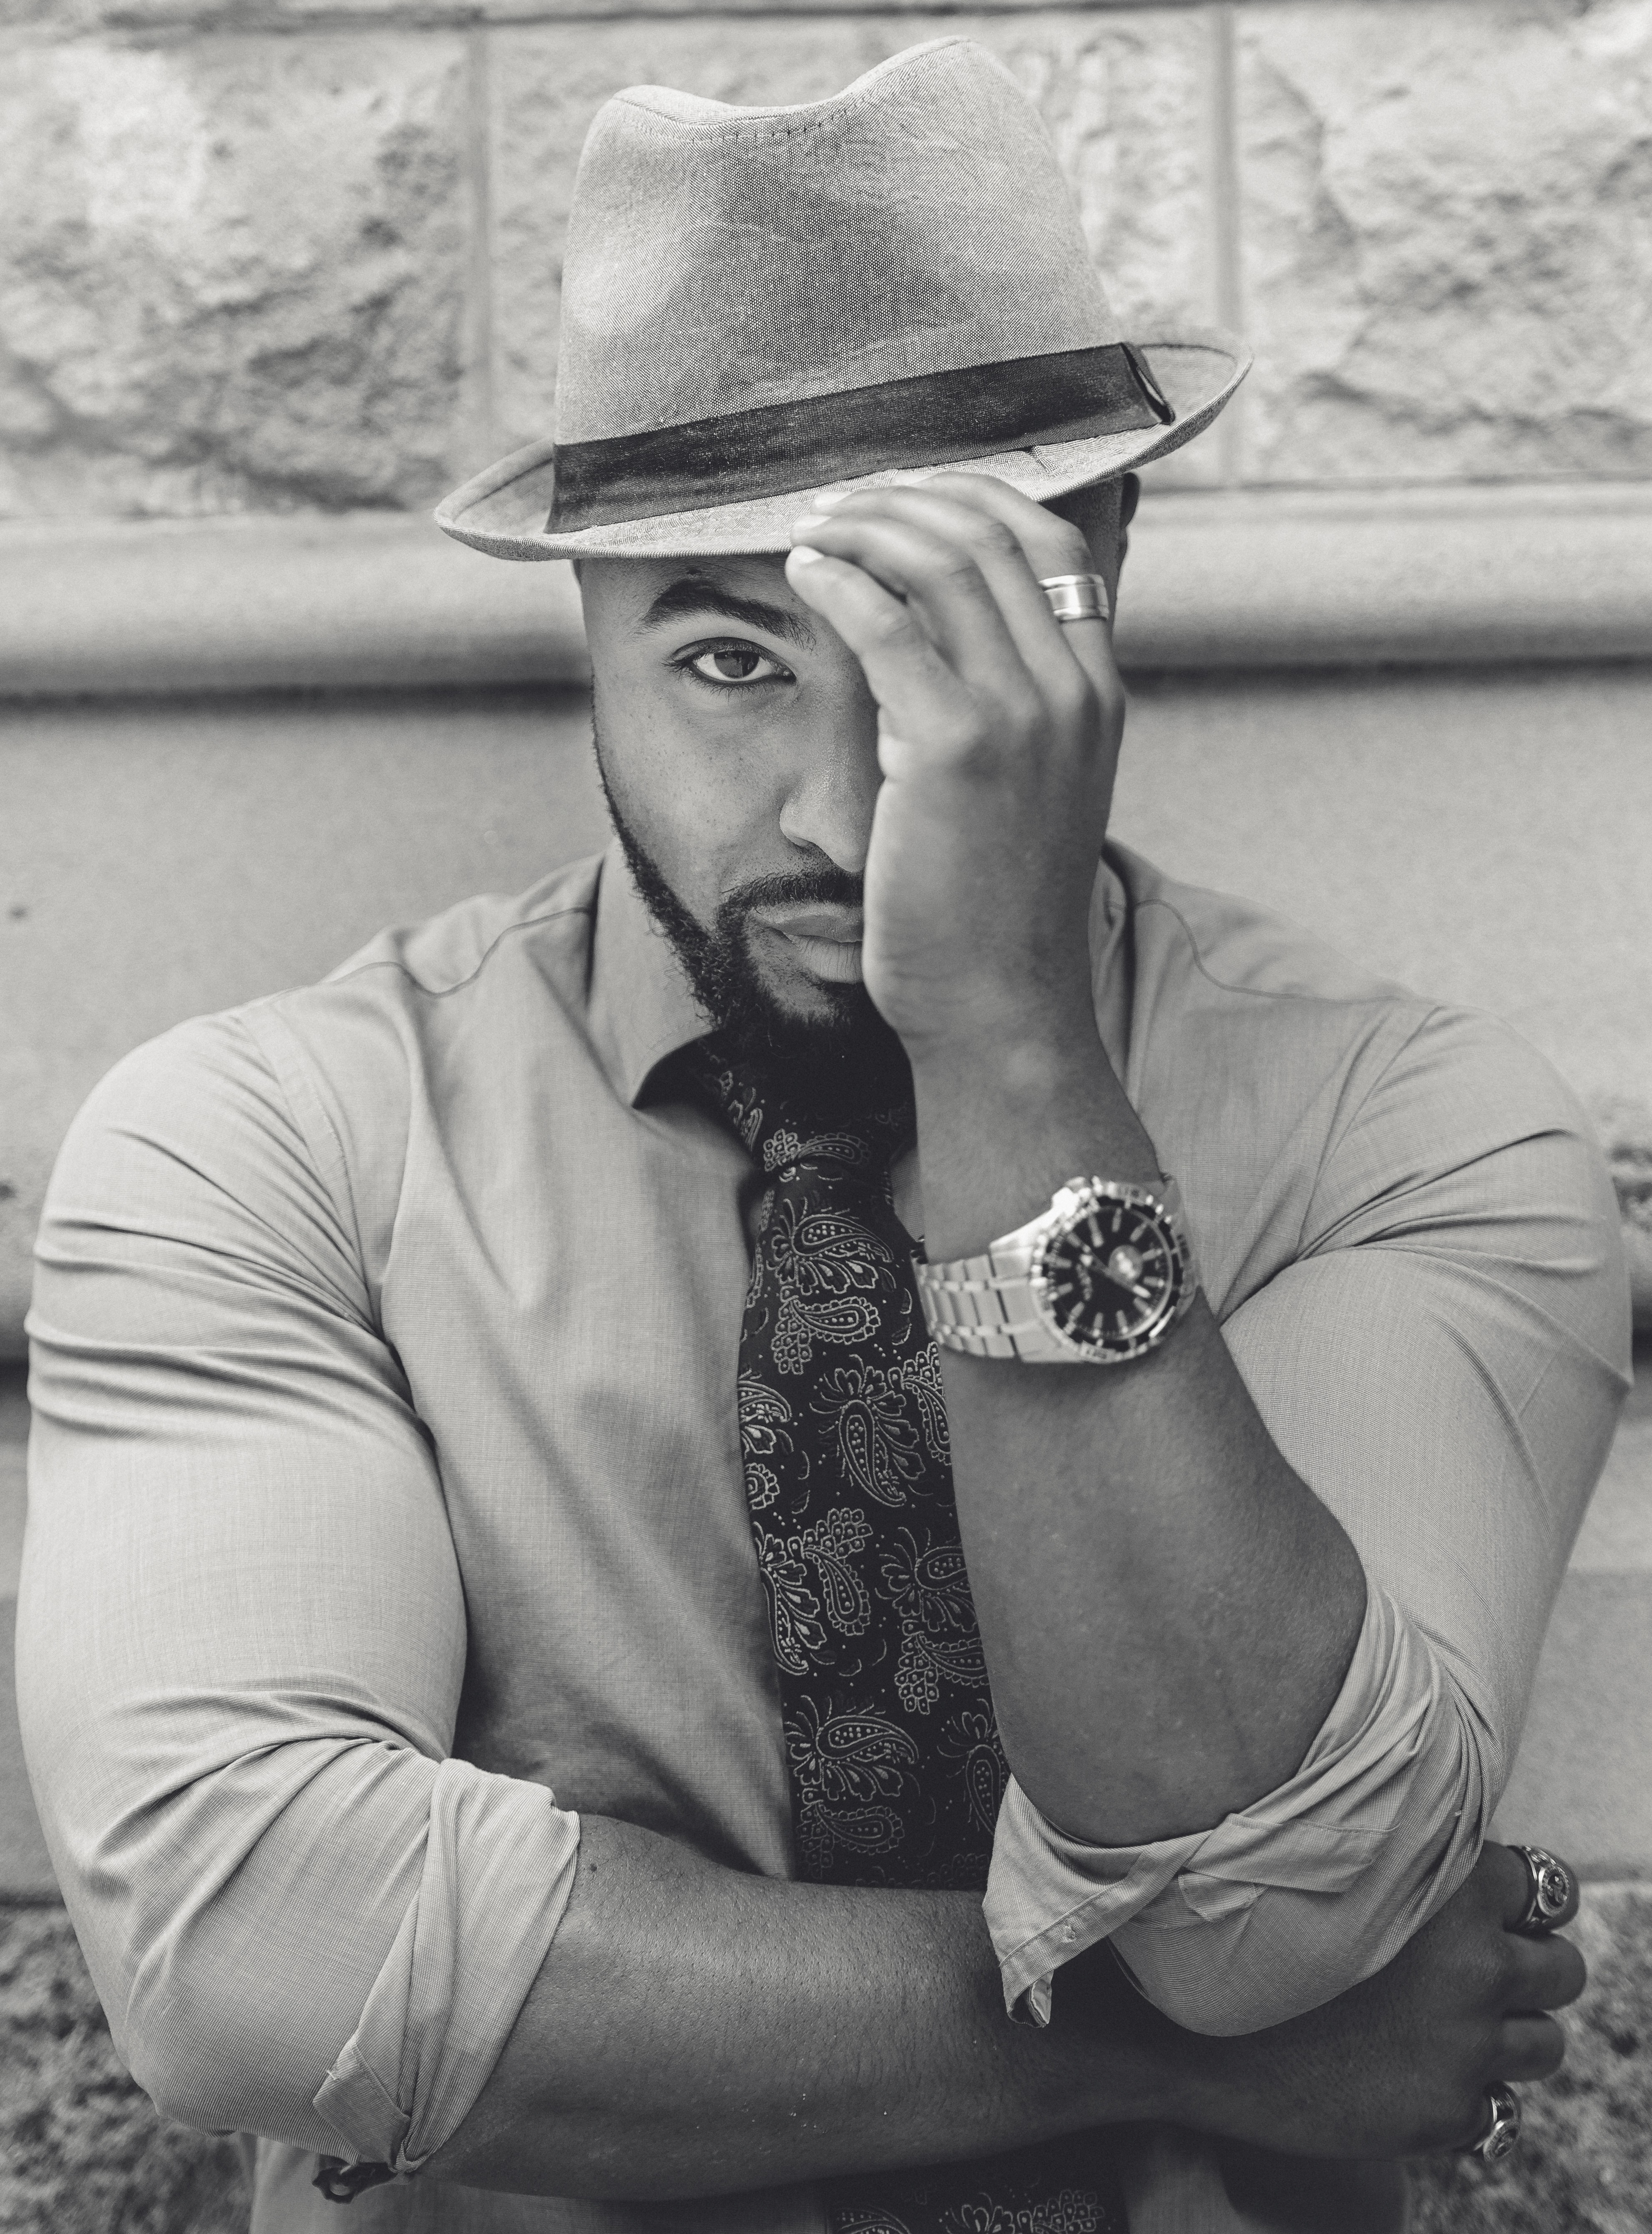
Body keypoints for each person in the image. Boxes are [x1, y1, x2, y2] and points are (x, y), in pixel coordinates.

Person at [18, 38, 1629, 2234]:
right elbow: (255, 1965)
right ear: (582, 634)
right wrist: (1182, 2054)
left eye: (939, 644)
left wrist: (1010, 1056)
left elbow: (1275, 1901)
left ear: (1108, 583)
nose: (847, 814)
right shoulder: (273, 1144)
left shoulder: (1405, 1131)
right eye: (728, 661)